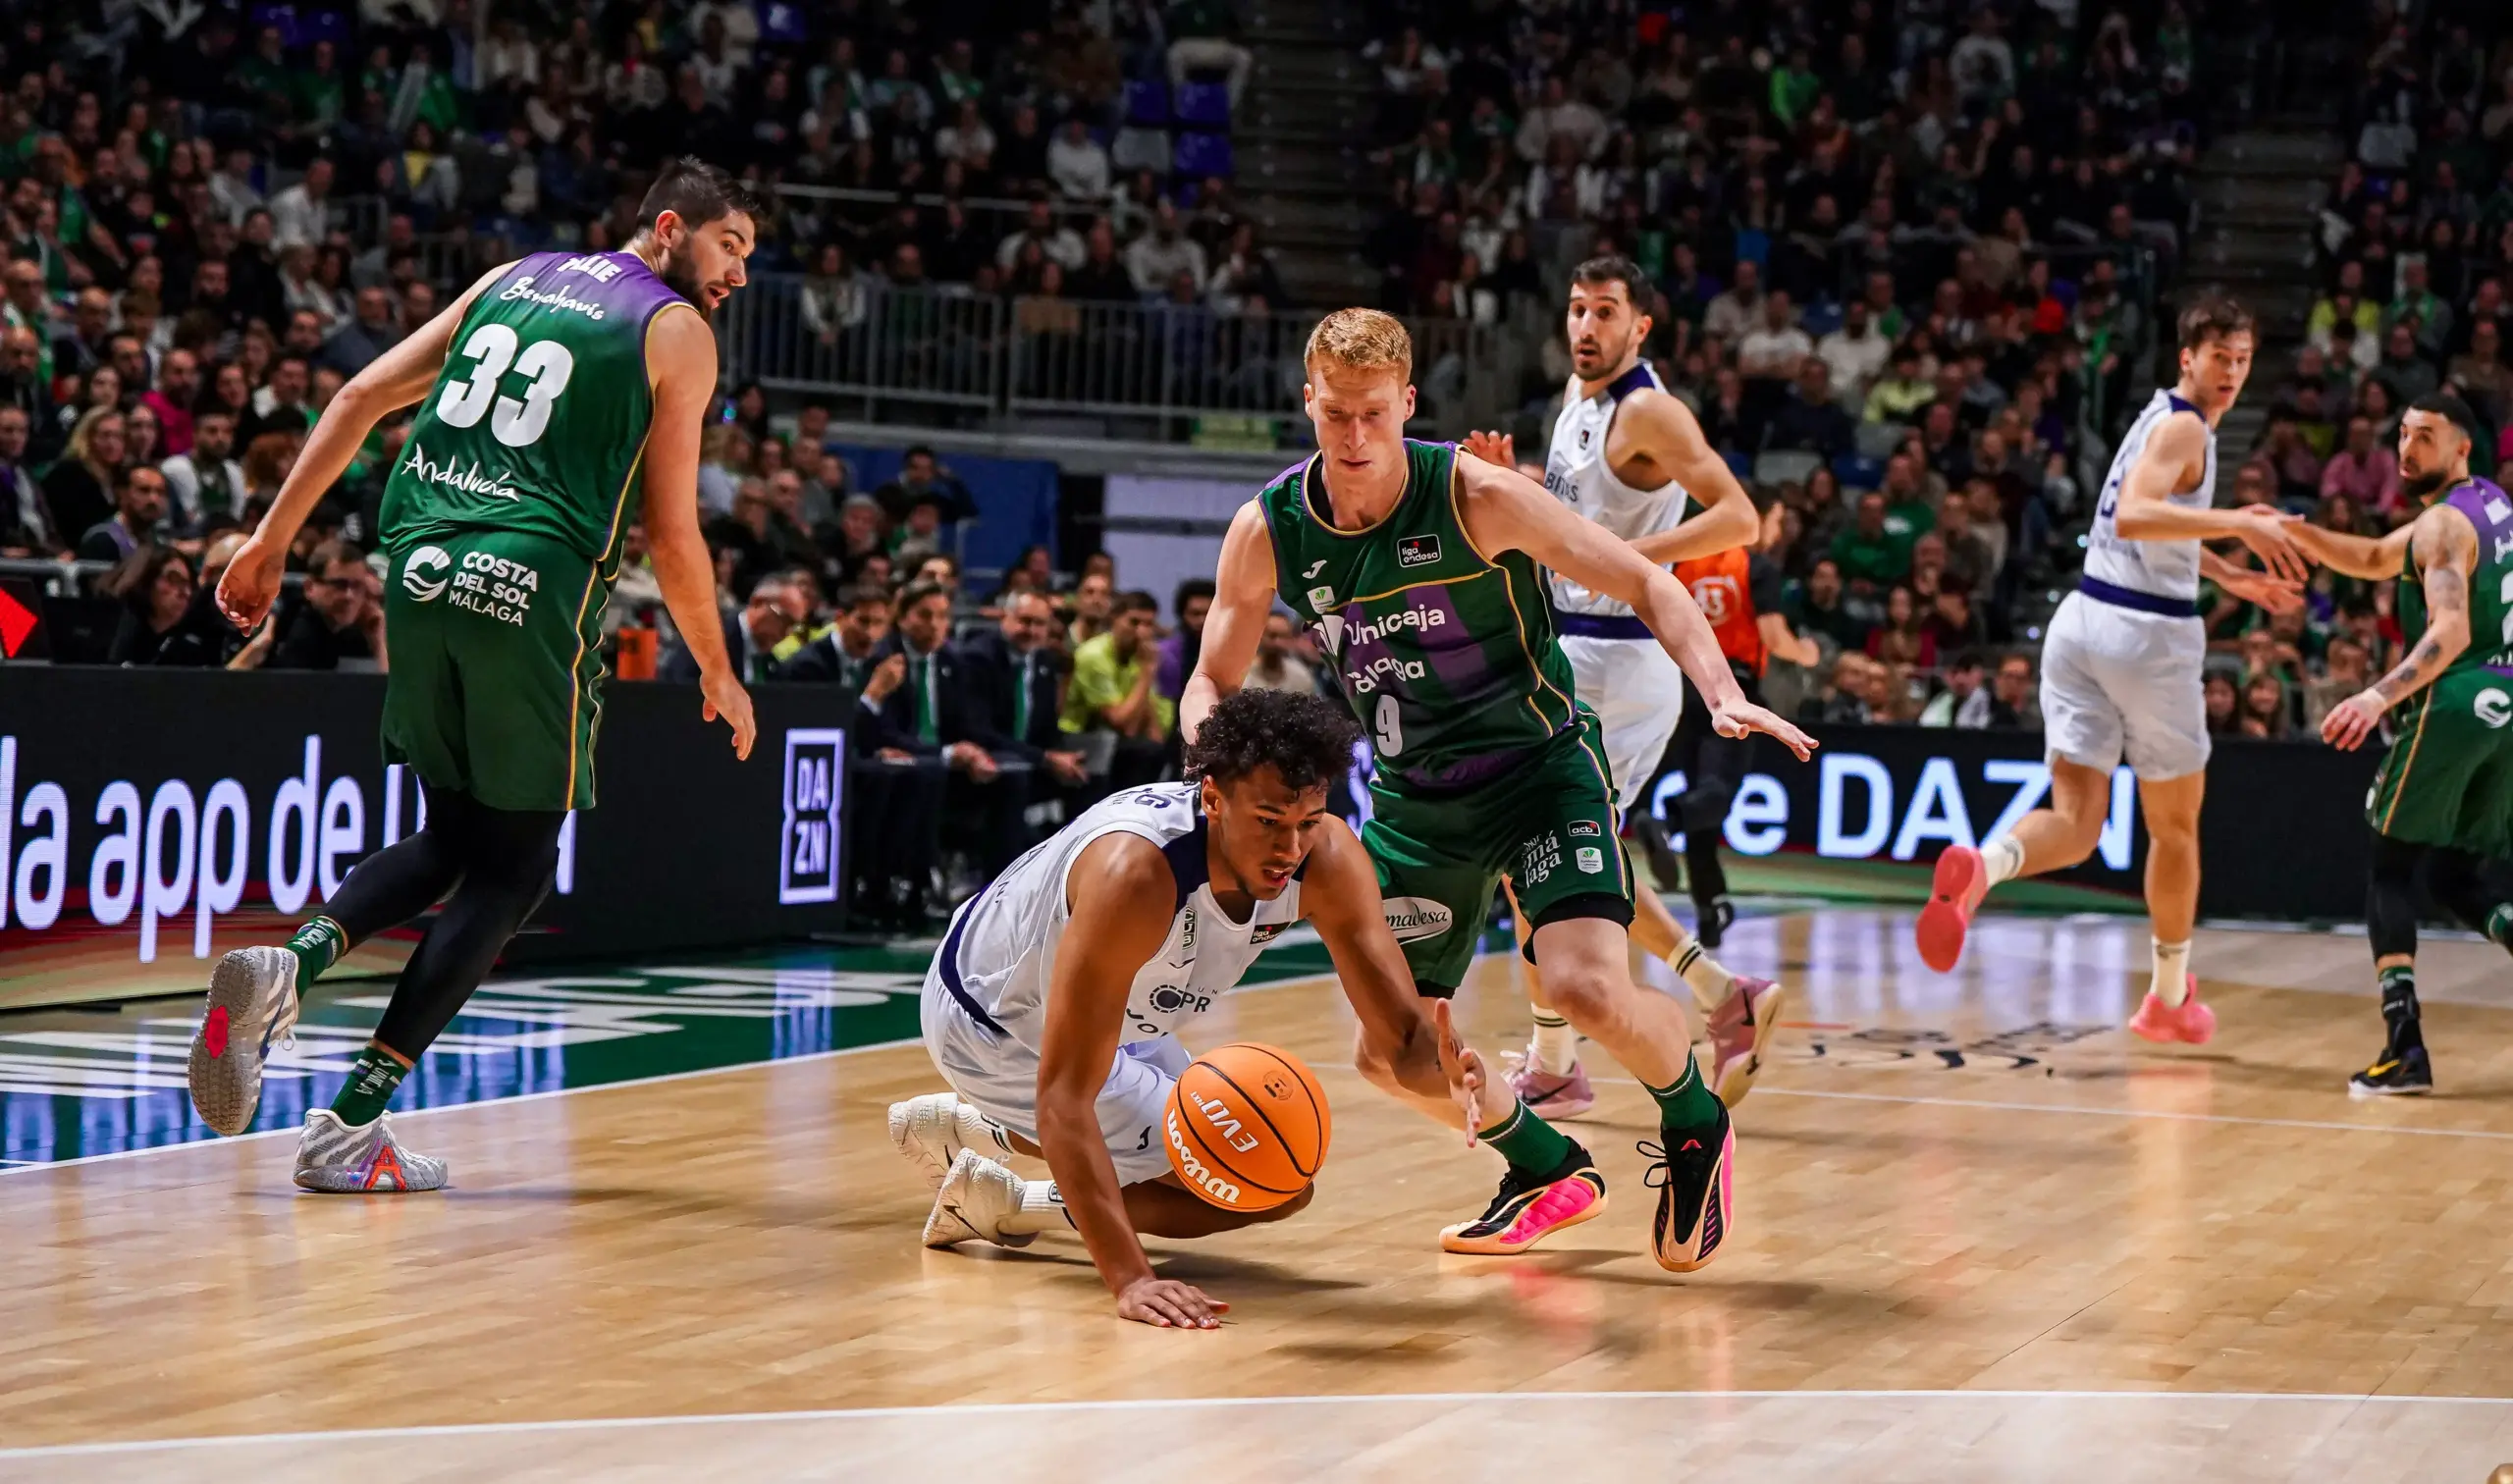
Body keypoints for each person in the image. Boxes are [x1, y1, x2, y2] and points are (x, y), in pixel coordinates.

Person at [1185, 308, 1815, 1271]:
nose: (1353, 439)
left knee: (1581, 988)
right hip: (1411, 805)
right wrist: (1210, 756)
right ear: (1307, 402)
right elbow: (1210, 679)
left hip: (1539, 774)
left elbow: (1647, 584)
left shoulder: (1476, 495)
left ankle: (1692, 1120)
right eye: (1334, 416)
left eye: (1372, 416)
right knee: (1390, 1054)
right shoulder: (1268, 530)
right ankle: (1544, 1163)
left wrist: (1721, 694)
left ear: (1406, 405)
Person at [184, 158, 763, 1193]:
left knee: (454, 835)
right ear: (671, 227)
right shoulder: (673, 329)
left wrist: (270, 542)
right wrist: (717, 668)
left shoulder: (511, 277)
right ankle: (349, 1121)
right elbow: (672, 533)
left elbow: (361, 395)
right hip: (532, 581)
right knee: (513, 868)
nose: (739, 274)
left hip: (417, 563)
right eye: (731, 246)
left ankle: (294, 962)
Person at [894, 687, 1489, 1327]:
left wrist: (1445, 1072)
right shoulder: (1137, 878)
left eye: (1307, 822)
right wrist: (1129, 1279)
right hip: (996, 1021)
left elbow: (1404, 1041)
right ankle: (1003, 1203)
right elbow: (1064, 1098)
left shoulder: (1328, 858)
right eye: (1267, 821)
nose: (1290, 849)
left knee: (1263, 1169)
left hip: (1117, 1004)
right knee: (1258, 1182)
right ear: (1212, 798)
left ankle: (975, 1130)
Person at [1915, 297, 2305, 1044]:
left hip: (2082, 621)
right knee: (2175, 828)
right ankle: (2166, 997)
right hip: (2145, 639)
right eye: (2219, 356)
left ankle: (1983, 870)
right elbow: (2134, 512)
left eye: (2243, 358)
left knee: (2078, 822)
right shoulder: (2186, 423)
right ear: (2186, 358)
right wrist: (2240, 523)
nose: (2232, 372)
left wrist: (2225, 573)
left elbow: (2145, 526)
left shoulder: (2158, 417)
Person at [1460, 256, 1791, 1117]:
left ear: (1640, 326)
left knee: (1549, 857)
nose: (1585, 327)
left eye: (1605, 312)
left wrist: (1625, 565)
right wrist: (1512, 484)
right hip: (1576, 650)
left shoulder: (1648, 407)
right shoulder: (1578, 398)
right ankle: (1717, 995)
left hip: (1626, 655)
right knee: (1548, 857)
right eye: (1576, 309)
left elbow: (1739, 517)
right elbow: (1578, 520)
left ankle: (1561, 1060)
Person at [2285, 395, 2513, 1096]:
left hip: (2458, 698)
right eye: (2404, 435)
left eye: (2426, 437)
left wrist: (2375, 694)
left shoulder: (2442, 524)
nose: (2408, 448)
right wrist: (2300, 533)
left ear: (2462, 447)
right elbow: (2383, 555)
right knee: (2453, 878)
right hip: (2509, 696)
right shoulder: (2491, 505)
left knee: (2388, 866)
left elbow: (2446, 631)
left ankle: (2404, 1047)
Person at [1665, 532, 1820, 945]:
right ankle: (1666, 823)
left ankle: (1708, 908)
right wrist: (1807, 652)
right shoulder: (1755, 567)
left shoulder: (1683, 561)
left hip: (1683, 686)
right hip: (1734, 686)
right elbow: (1773, 637)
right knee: (1719, 792)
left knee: (1704, 806)